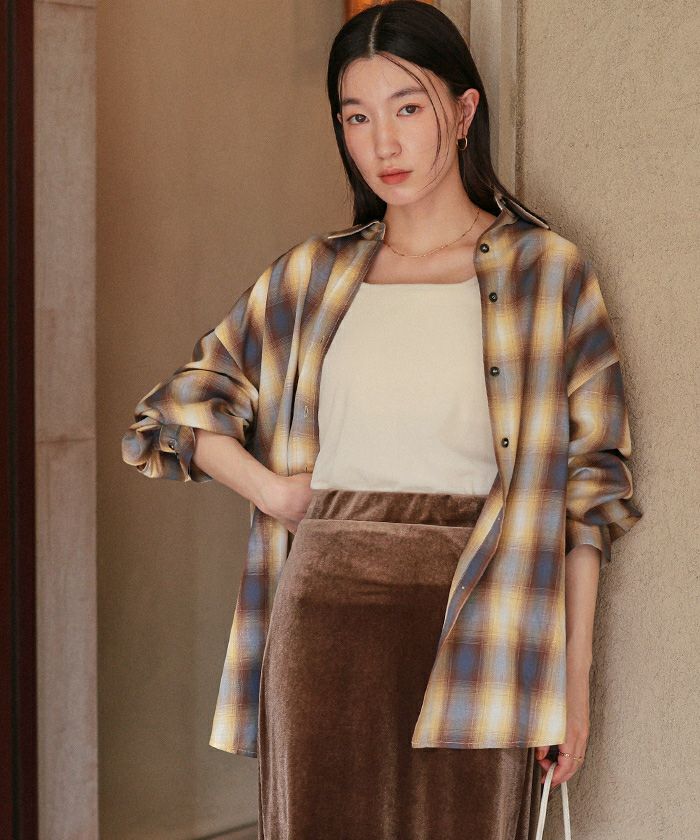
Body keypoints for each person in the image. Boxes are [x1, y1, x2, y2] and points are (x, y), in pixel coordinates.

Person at [121, 2, 642, 837]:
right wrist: (275, 493)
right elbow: (175, 410)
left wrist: (572, 682)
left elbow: (592, 493)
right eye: (357, 117)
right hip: (323, 622)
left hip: (485, 623)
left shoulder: (548, 274)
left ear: (463, 113)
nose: (383, 144)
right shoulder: (312, 276)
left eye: (407, 108)